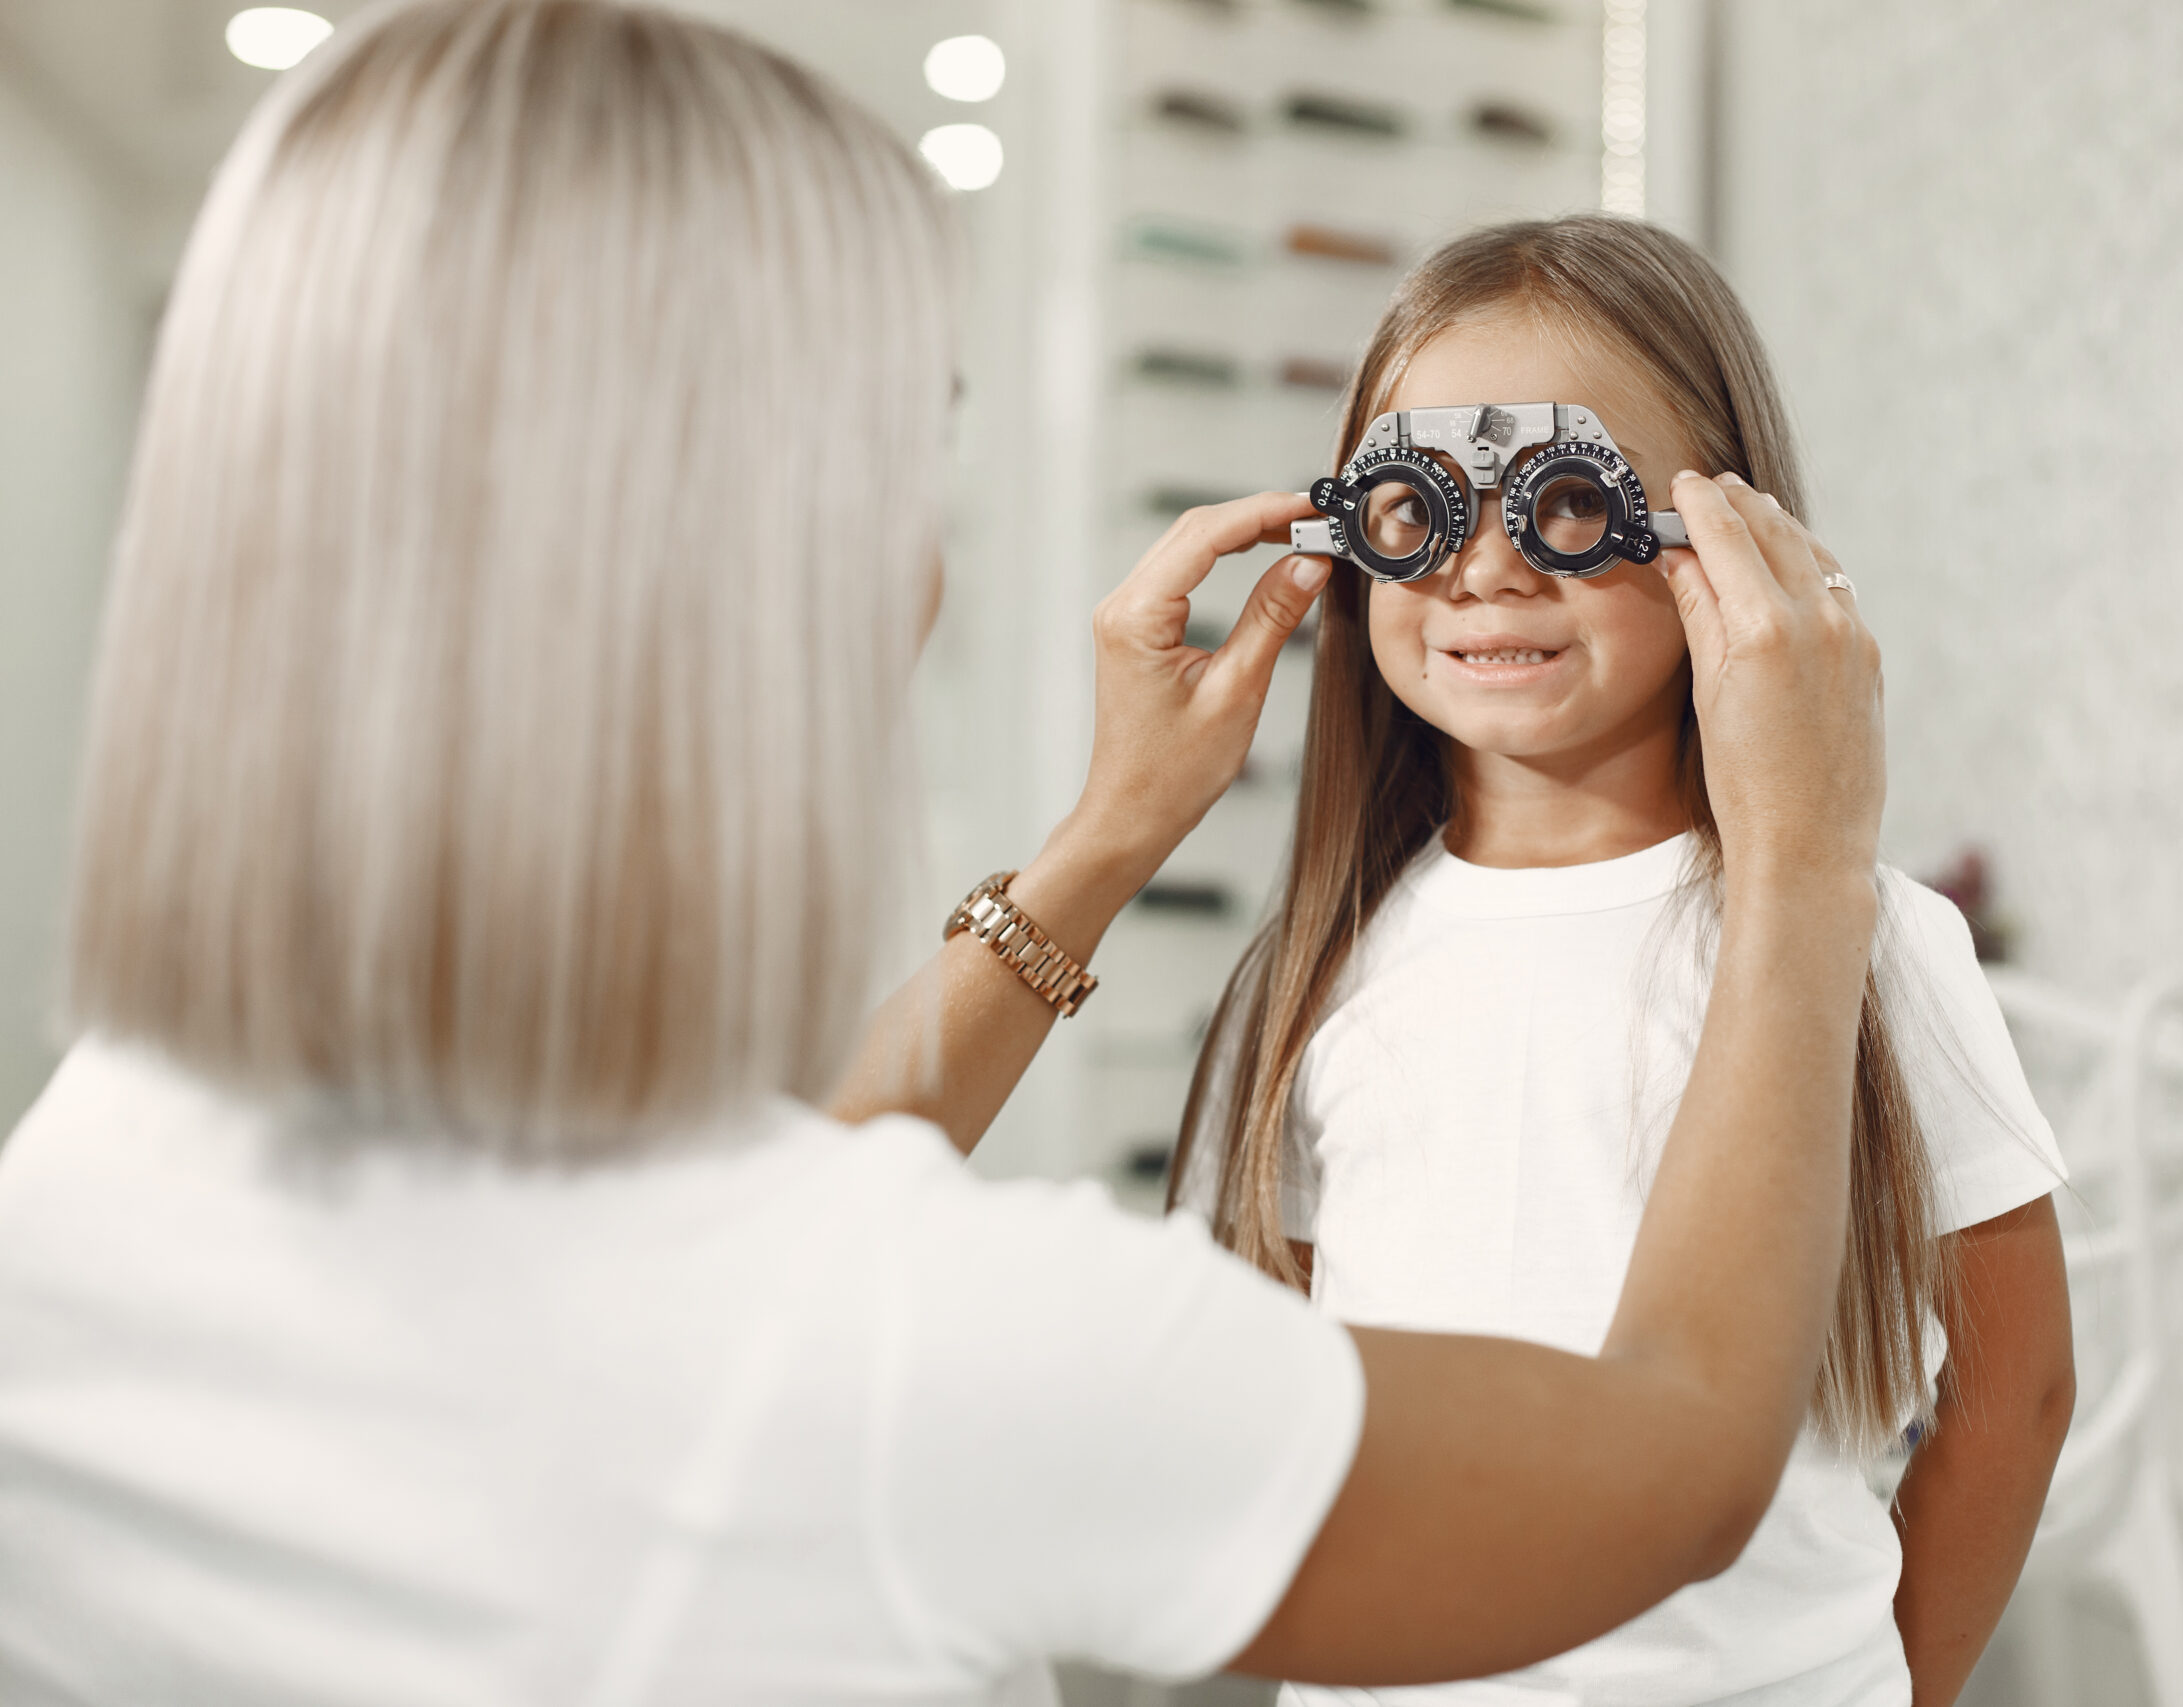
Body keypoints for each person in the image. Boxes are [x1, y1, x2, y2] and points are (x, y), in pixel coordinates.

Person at [1, 5, 1884, 1702]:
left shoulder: (87, 1180)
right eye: (914, 456)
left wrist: (1110, 834)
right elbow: (1678, 1460)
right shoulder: (896, 1355)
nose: (931, 566)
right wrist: (1806, 864)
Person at [1169, 218, 2077, 1707]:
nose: (1478, 571)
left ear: (1730, 540)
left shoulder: (1866, 936)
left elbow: (2014, 1387)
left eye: (1566, 504)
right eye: (1414, 506)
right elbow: (1286, 1418)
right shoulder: (1315, 970)